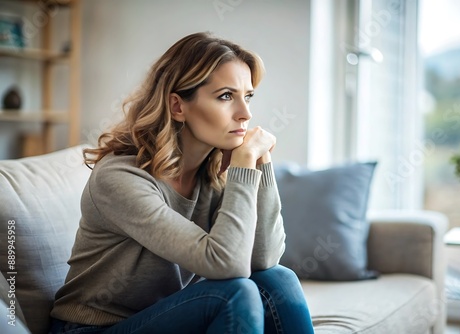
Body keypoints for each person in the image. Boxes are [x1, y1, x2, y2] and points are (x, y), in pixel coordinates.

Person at [49, 32, 315, 334]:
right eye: (226, 96)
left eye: (248, 96)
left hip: (170, 319)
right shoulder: (119, 178)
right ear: (178, 106)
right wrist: (243, 165)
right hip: (92, 329)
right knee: (233, 295)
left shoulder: (213, 173)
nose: (246, 113)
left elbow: (263, 259)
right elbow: (228, 267)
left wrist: (259, 162)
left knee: (278, 279)